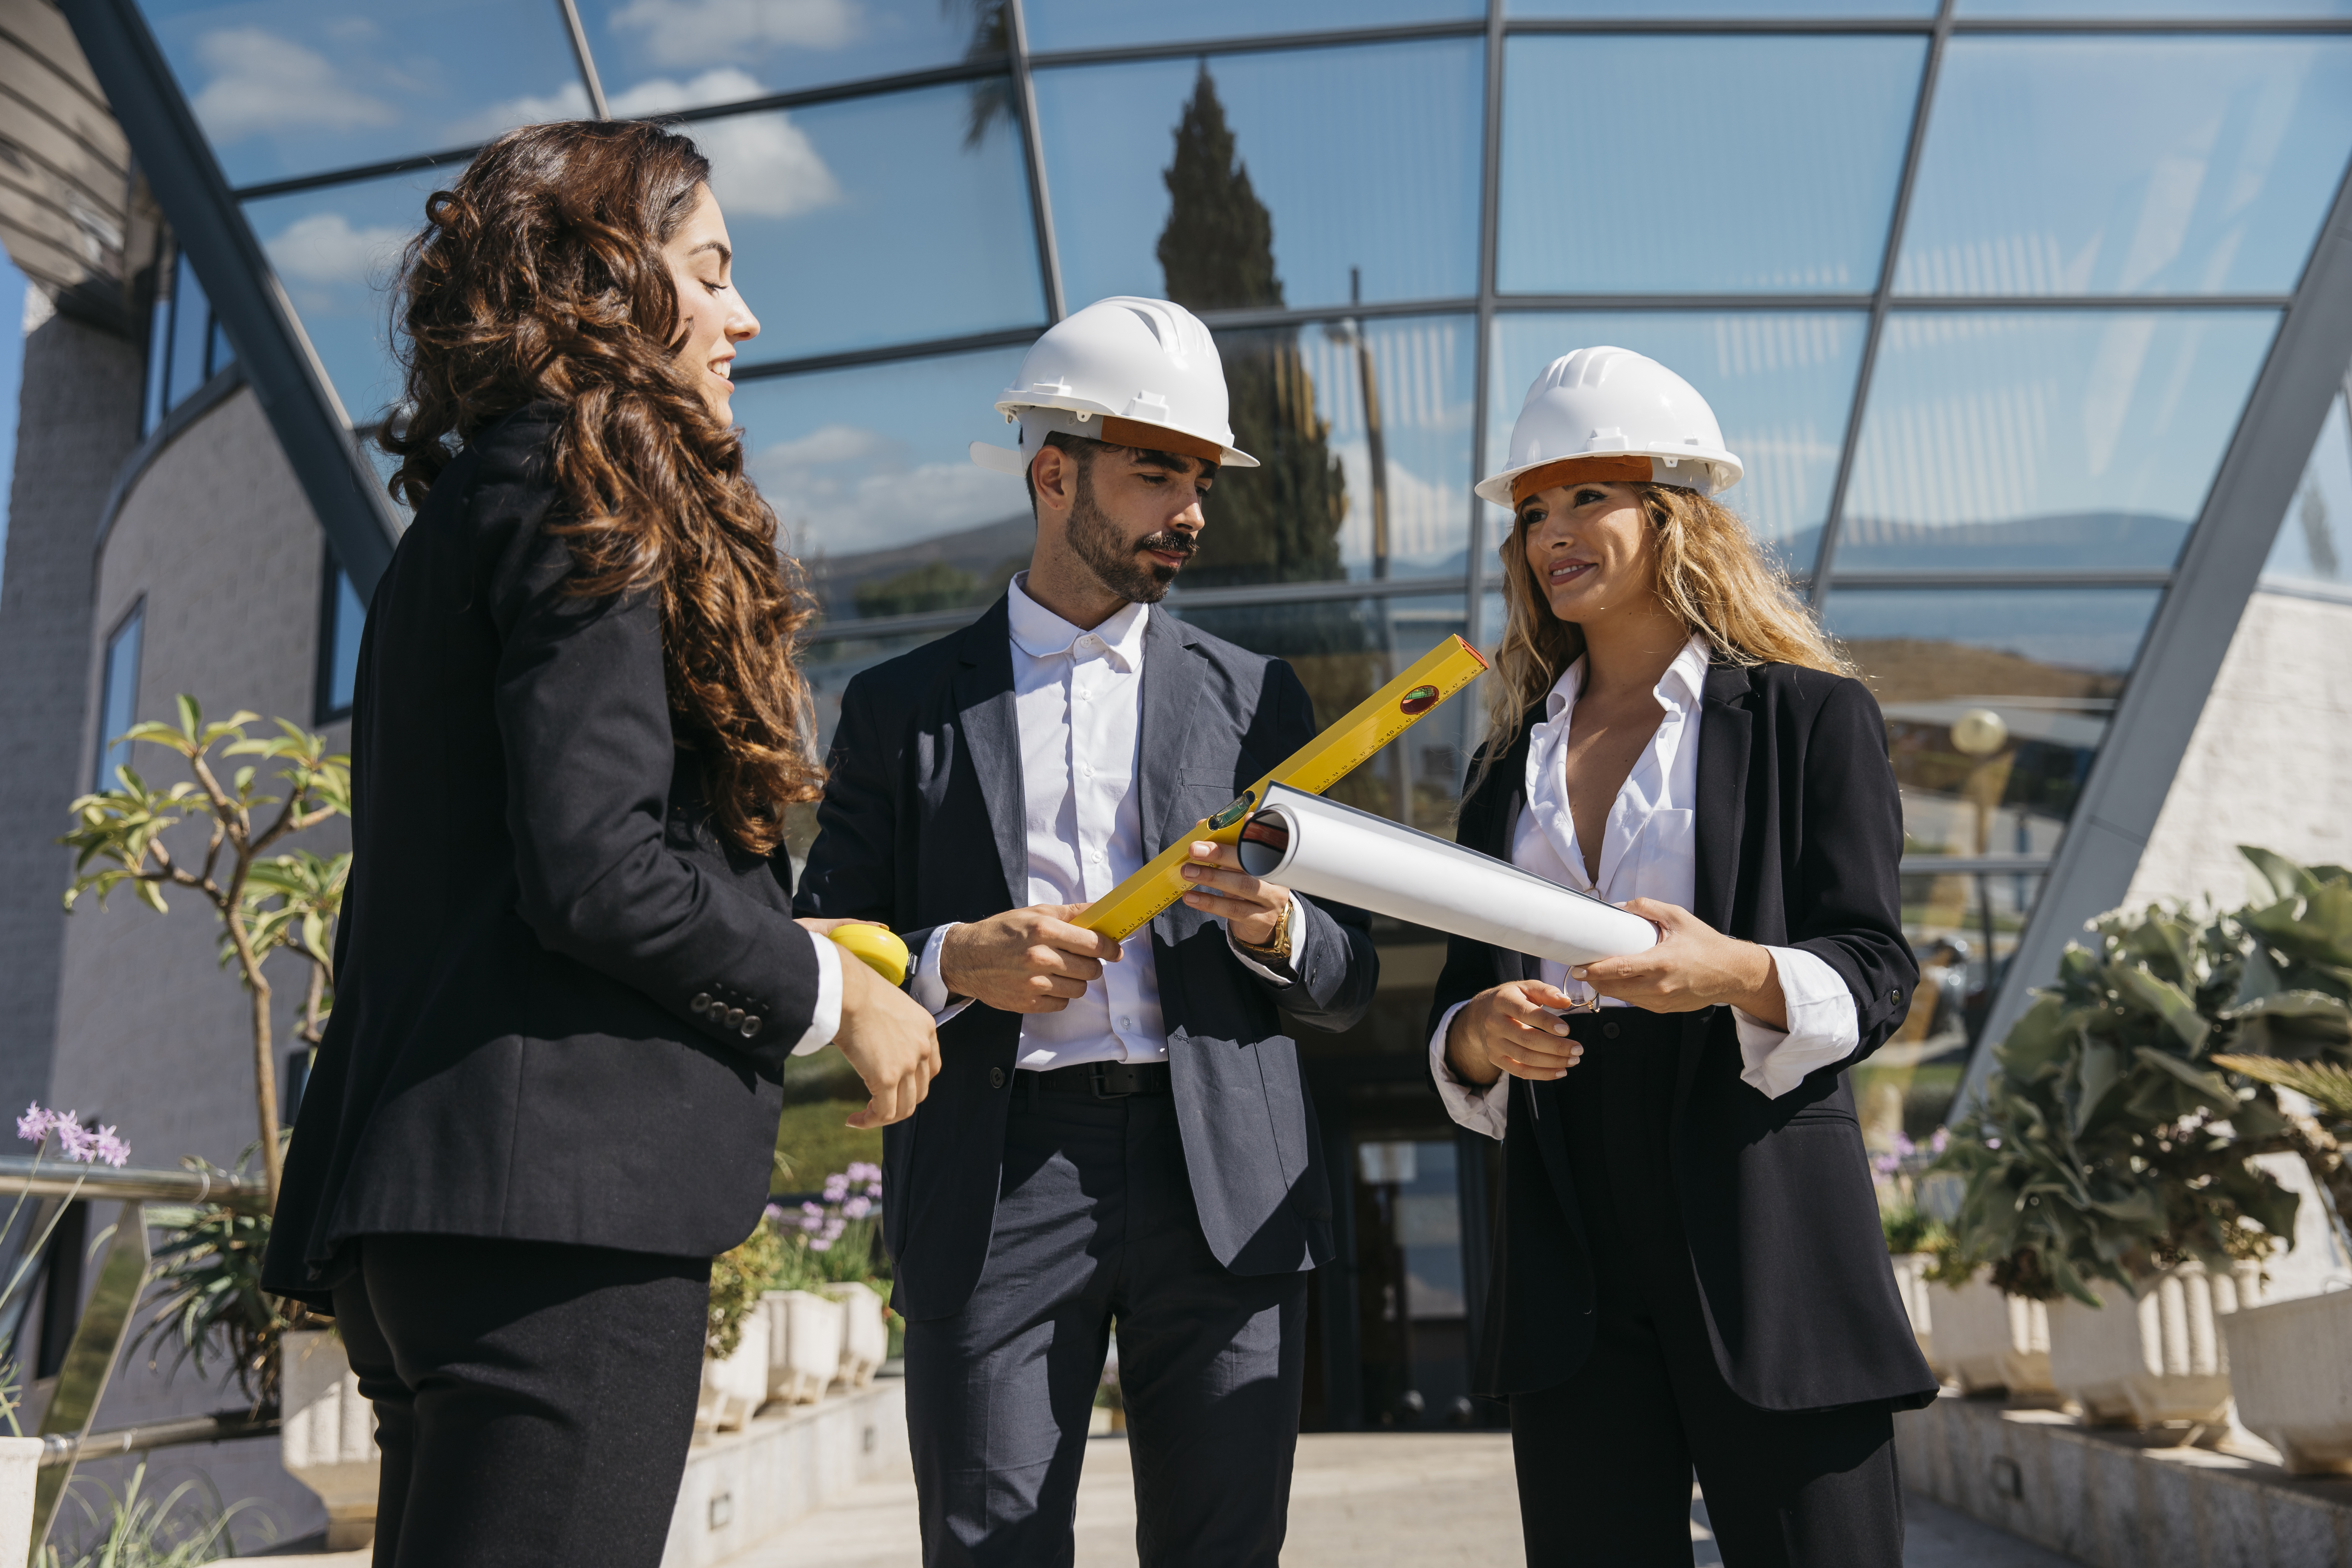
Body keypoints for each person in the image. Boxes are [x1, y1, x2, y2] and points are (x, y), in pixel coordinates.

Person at [259, 121, 942, 1567]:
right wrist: (839, 999)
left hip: (450, 1219)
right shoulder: (586, 488)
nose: (746, 316)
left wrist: (794, 944)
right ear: (609, 282)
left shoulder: (471, 506)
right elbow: (598, 871)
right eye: (711, 274)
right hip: (556, 1237)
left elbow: (541, 867)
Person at [795, 296, 1380, 1568]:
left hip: (1222, 1174)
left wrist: (1279, 926)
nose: (1194, 511)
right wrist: (957, 959)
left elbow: (1351, 975)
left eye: (1201, 478)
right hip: (1002, 1179)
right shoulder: (900, 708)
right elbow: (820, 938)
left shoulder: (1257, 698)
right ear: (1053, 476)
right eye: (1157, 473)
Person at [1427, 347, 1935, 1565]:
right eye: (1533, 512)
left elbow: (1875, 965)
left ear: (1673, 514)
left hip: (1764, 1226)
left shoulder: (1809, 719)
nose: (1552, 534)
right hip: (1568, 1242)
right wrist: (1480, 1038)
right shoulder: (1505, 766)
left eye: (1585, 499)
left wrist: (1738, 975)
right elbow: (1458, 1006)